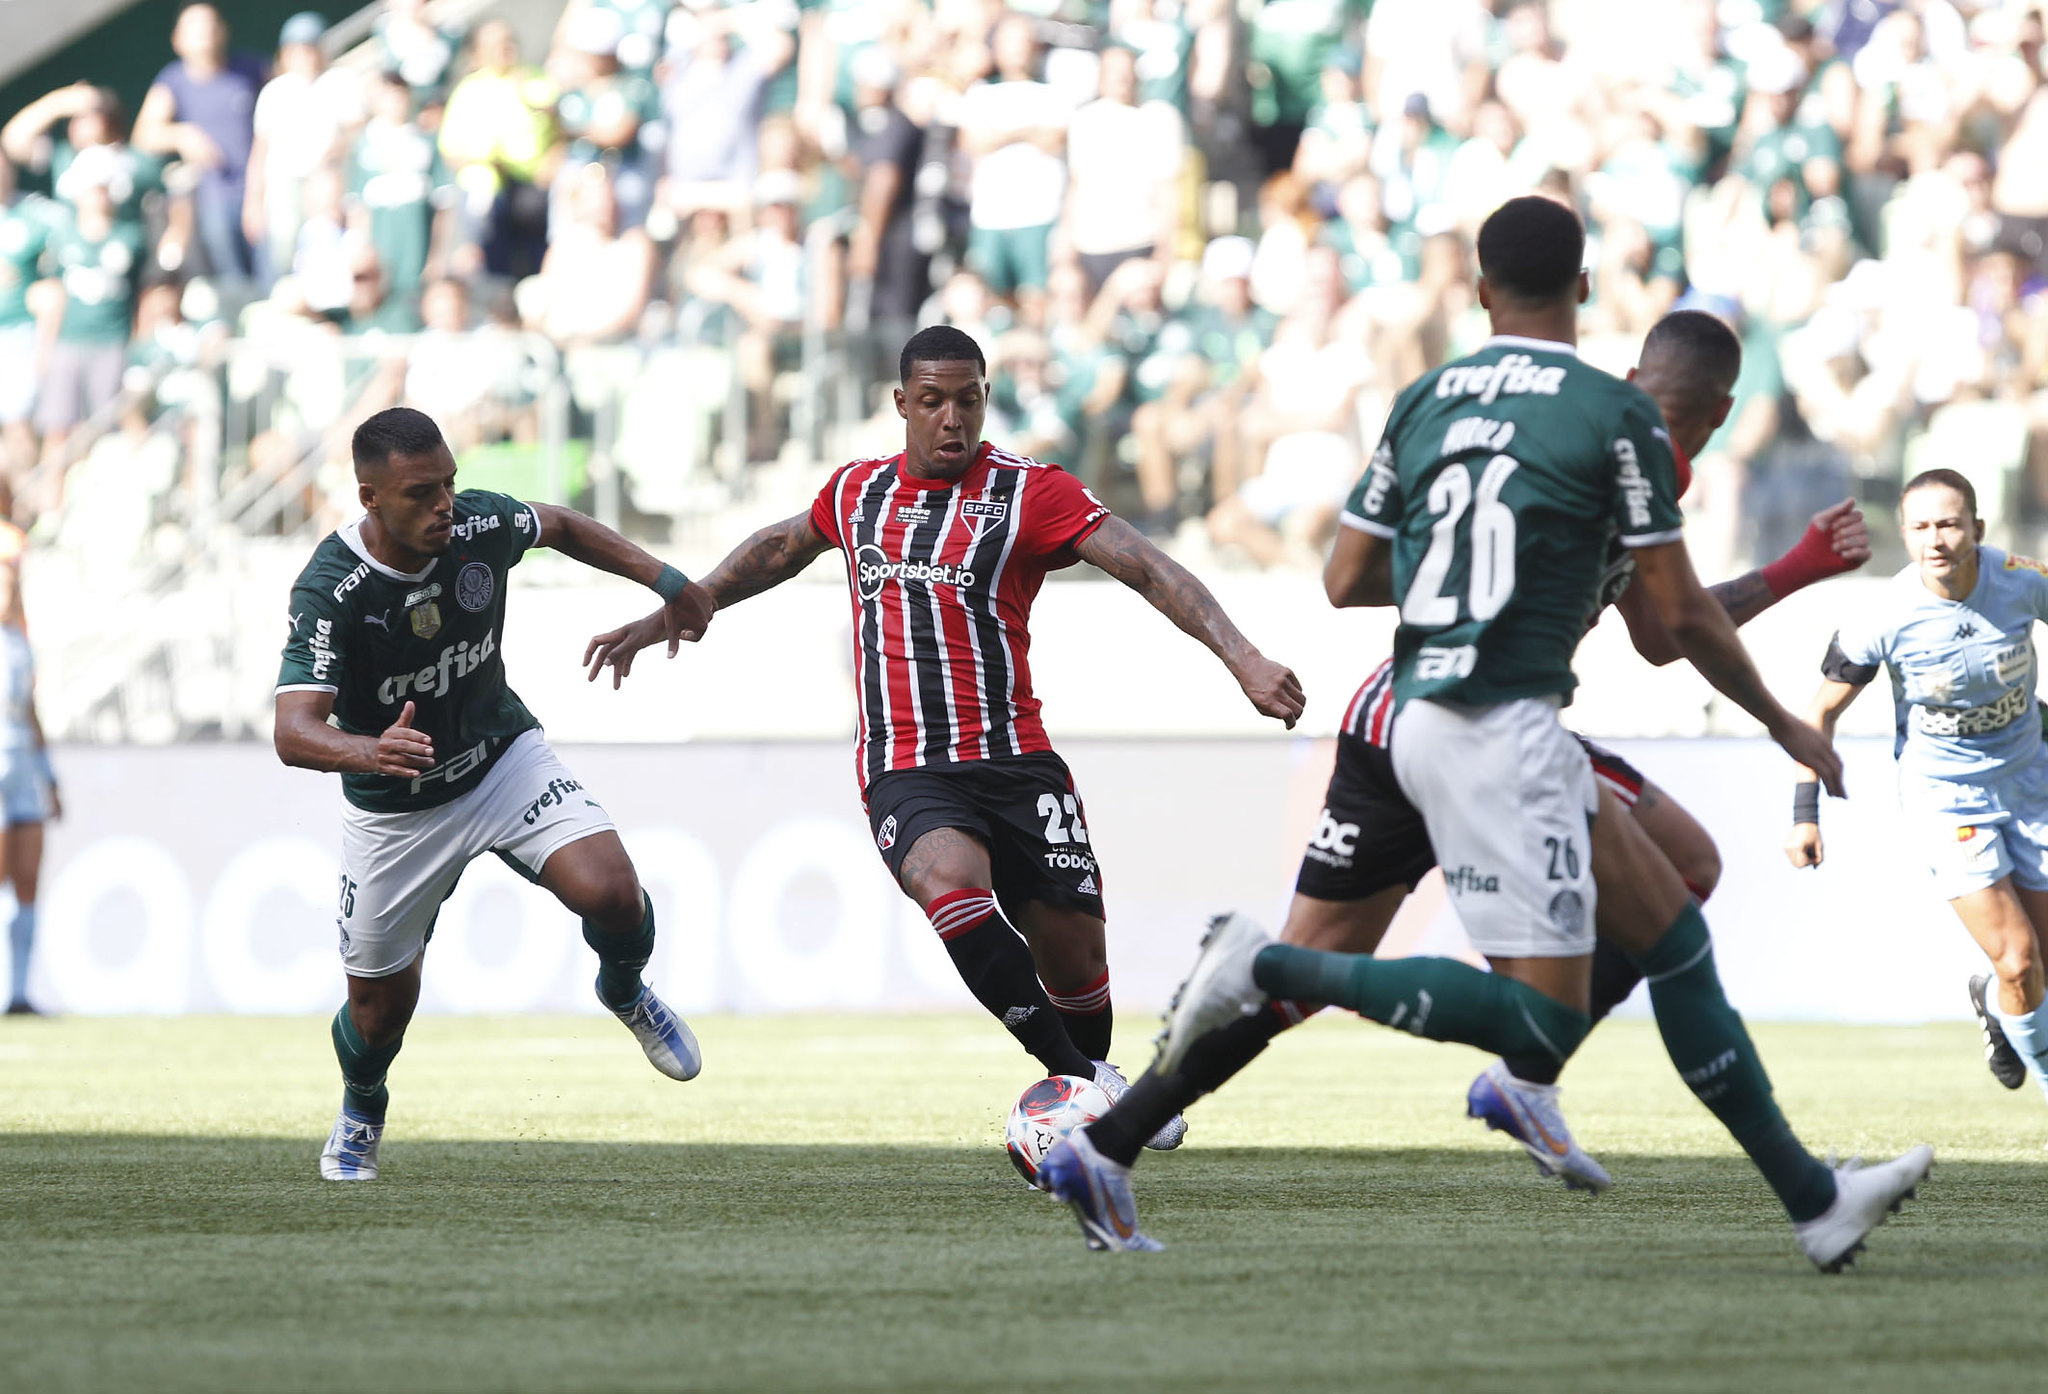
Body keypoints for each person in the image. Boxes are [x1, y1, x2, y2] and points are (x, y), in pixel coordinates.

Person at [1044, 199, 1933, 1270]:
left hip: (1411, 703)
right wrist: (1787, 720)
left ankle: (1110, 1140)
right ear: (1587, 286)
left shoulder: (1427, 398)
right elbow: (1678, 620)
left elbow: (1341, 578)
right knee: (1536, 1024)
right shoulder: (1614, 418)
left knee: (1671, 919)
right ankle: (1263, 962)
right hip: (1497, 724)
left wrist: (1464, 580)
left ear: (1475, 290)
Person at [584, 325, 1305, 1145]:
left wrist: (1243, 658)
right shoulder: (859, 493)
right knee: (947, 881)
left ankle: (1091, 1071)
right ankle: (1080, 1083)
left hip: (1017, 760)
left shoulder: (1032, 492)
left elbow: (1148, 567)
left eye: (968, 400)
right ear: (901, 405)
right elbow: (781, 546)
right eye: (932, 401)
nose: (952, 418)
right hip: (906, 763)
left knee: (1074, 960)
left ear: (986, 398)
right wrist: (692, 600)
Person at [274, 407, 714, 1180]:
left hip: (499, 757)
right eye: (421, 493)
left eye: (449, 482)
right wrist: (367, 748)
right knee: (378, 1014)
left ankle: (625, 989)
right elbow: (293, 729)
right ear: (370, 499)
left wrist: (667, 580)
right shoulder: (331, 589)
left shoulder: (474, 527)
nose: (445, 503)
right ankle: (362, 1106)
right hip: (397, 806)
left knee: (613, 890)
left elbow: (564, 525)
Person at [1788, 469, 2048, 1108]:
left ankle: (1992, 1003)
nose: (1936, 540)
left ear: (1978, 530)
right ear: (1904, 535)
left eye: (1950, 523)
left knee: (2037, 966)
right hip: (1945, 796)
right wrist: (1804, 812)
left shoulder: (2021, 579)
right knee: (2017, 958)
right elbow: (1817, 713)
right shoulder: (1883, 615)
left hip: (2030, 781)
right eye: (1921, 527)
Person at [133, 3, 267, 284]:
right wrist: (181, 134)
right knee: (235, 284)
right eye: (194, 27)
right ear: (177, 40)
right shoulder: (174, 81)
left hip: (262, 191)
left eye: (210, 24)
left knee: (272, 275)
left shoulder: (249, 69)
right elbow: (144, 135)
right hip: (214, 200)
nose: (205, 32)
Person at [0, 480, 57, 1015]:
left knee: (28, 881)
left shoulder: (20, 644)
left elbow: (32, 713)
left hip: (22, 771)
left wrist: (51, 776)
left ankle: (19, 992)